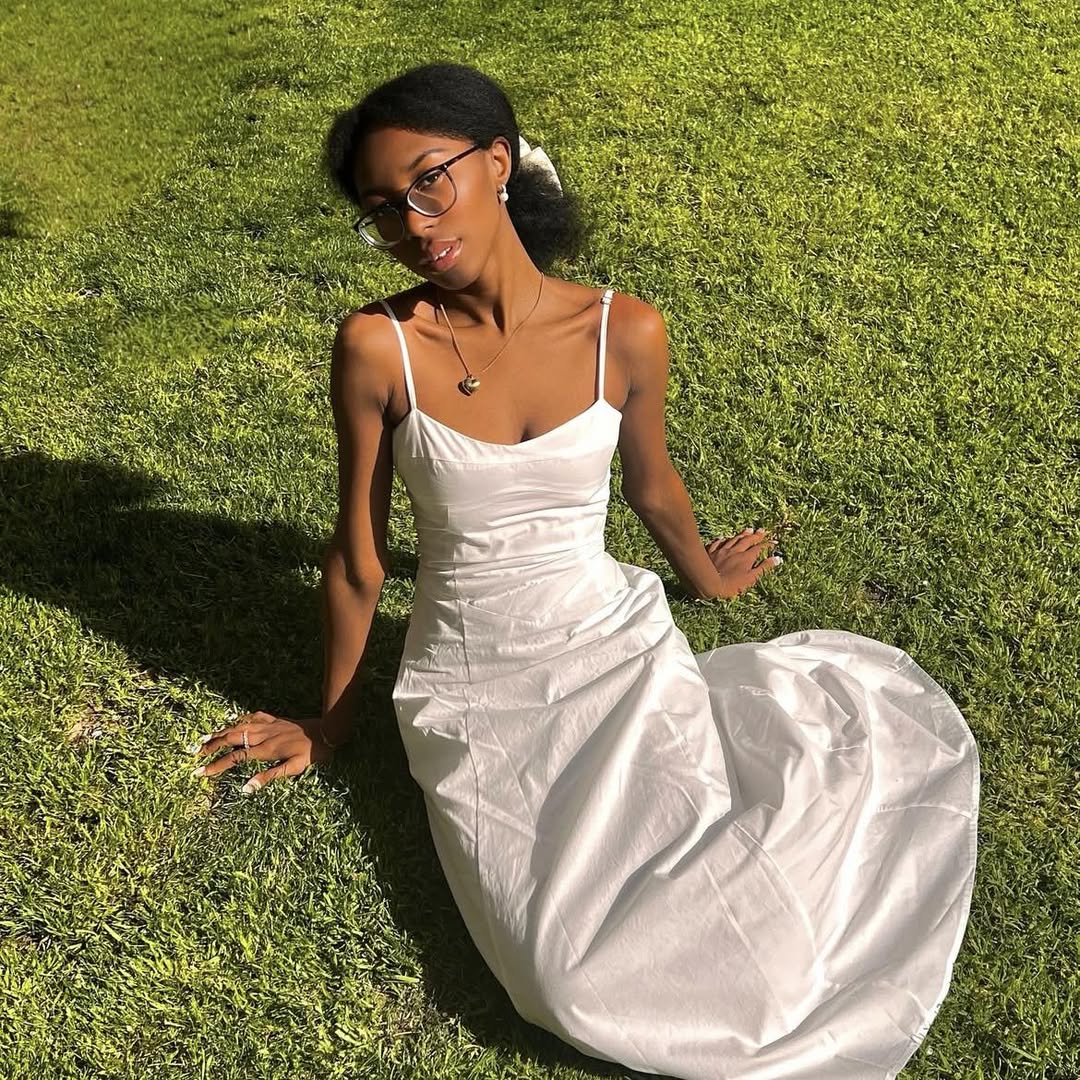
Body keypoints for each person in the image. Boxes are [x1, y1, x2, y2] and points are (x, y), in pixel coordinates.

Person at [189, 62, 980, 1080]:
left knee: (723, 857)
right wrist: (331, 722)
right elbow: (357, 559)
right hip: (470, 684)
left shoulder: (623, 329)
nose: (414, 226)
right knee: (562, 977)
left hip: (611, 641)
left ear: (498, 162)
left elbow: (651, 484)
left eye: (430, 182)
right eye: (383, 211)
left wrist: (704, 578)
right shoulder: (379, 347)